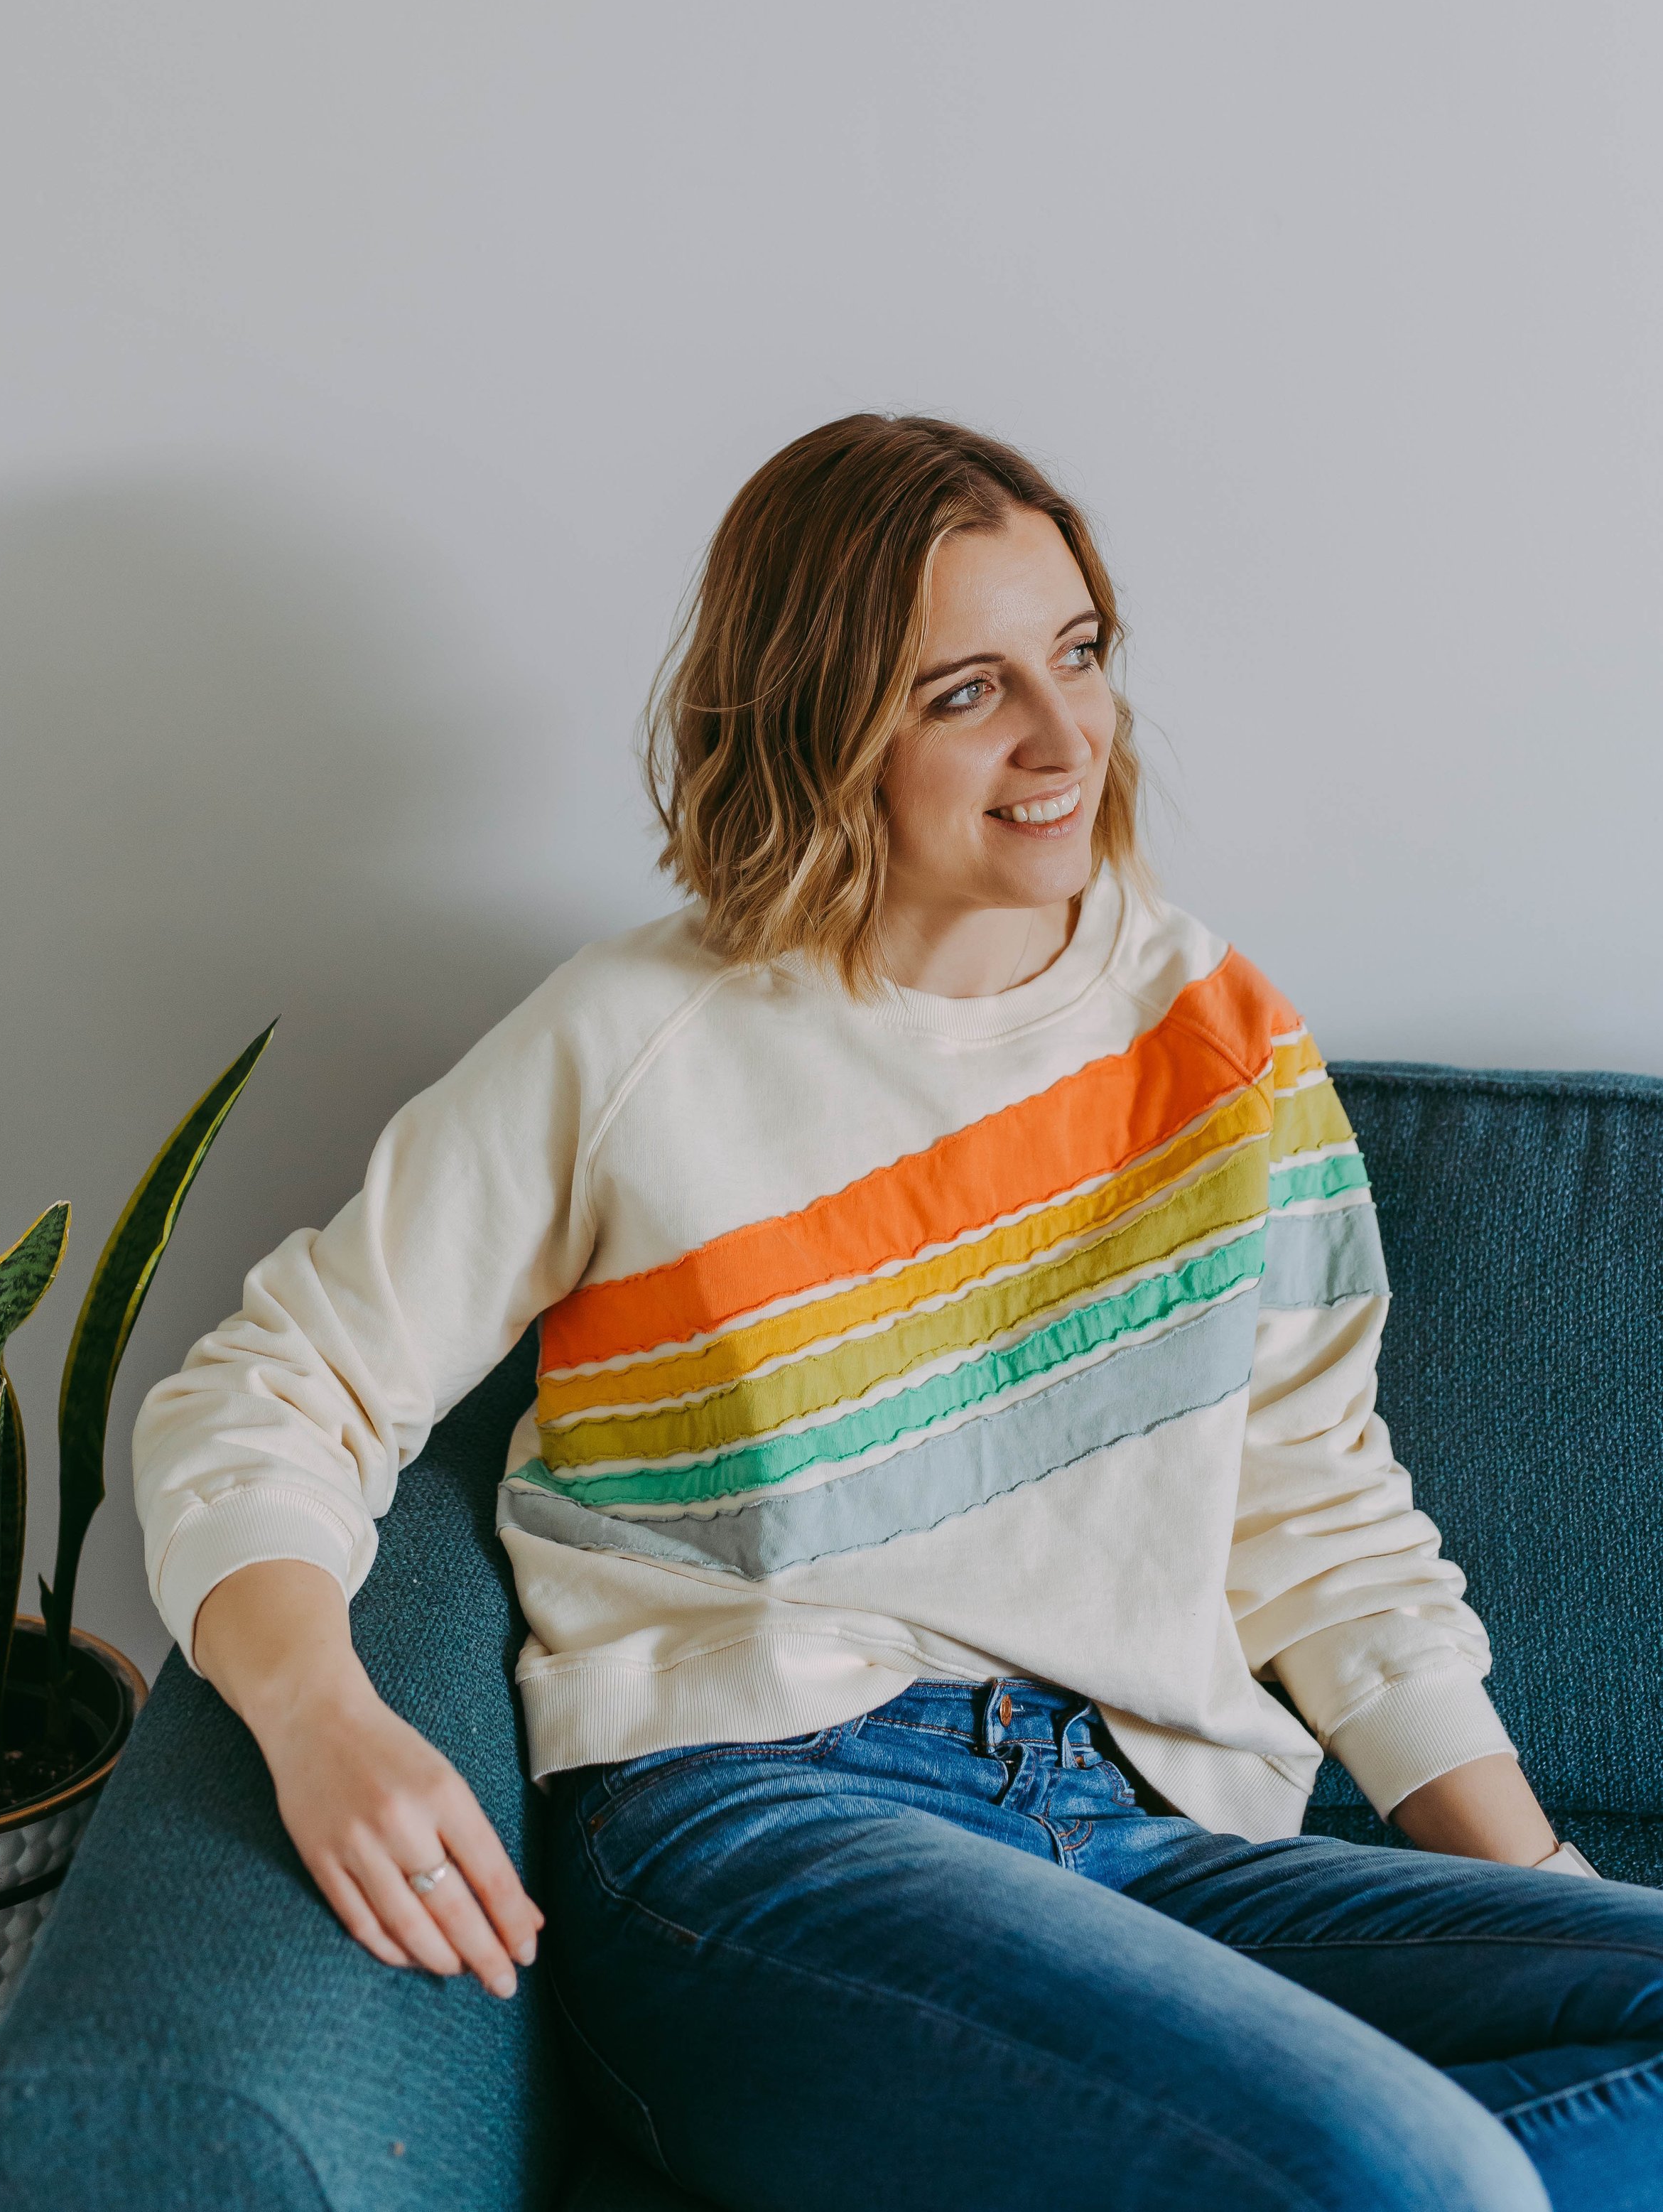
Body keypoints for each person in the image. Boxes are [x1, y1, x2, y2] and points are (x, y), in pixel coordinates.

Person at [134, 416, 1663, 2211]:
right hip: (759, 1833)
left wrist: (1543, 1897)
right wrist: (324, 1717)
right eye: (963, 691)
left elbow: (1312, 1513)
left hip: (1147, 1826)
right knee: (1406, 2180)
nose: (1060, 738)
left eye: (1077, 654)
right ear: (817, 716)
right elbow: (270, 1390)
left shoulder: (1215, 1036)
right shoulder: (637, 1041)